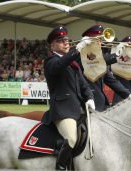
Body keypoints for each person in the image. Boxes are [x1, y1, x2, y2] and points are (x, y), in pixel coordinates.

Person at [41, 25, 95, 170]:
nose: (65, 43)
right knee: (71, 138)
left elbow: (84, 85)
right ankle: (60, 166)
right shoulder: (50, 61)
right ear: (52, 46)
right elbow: (60, 64)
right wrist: (77, 49)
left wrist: (90, 98)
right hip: (63, 110)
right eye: (60, 41)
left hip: (79, 108)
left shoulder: (73, 64)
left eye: (66, 40)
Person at [76, 25, 131, 112]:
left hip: (101, 104)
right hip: (86, 104)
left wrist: (129, 95)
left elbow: (113, 82)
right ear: (88, 42)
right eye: (96, 40)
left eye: (100, 40)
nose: (100, 43)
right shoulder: (81, 57)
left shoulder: (101, 60)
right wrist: (116, 55)